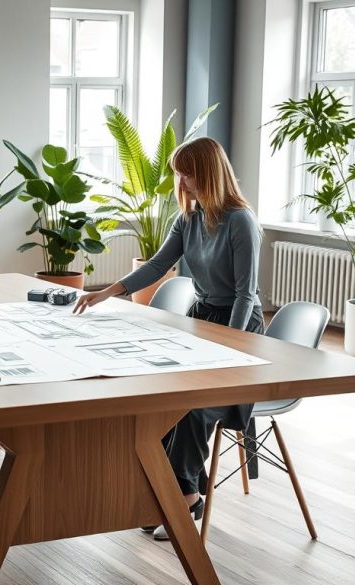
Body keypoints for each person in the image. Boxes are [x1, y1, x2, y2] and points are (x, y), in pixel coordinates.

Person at [73, 136, 263, 541]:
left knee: (195, 410)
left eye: (188, 171)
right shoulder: (188, 219)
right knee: (160, 399)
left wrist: (230, 343)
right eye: (179, 172)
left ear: (208, 172)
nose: (182, 179)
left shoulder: (241, 221)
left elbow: (246, 293)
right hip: (202, 319)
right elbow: (159, 264)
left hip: (239, 327)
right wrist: (105, 292)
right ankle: (163, 489)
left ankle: (186, 496)